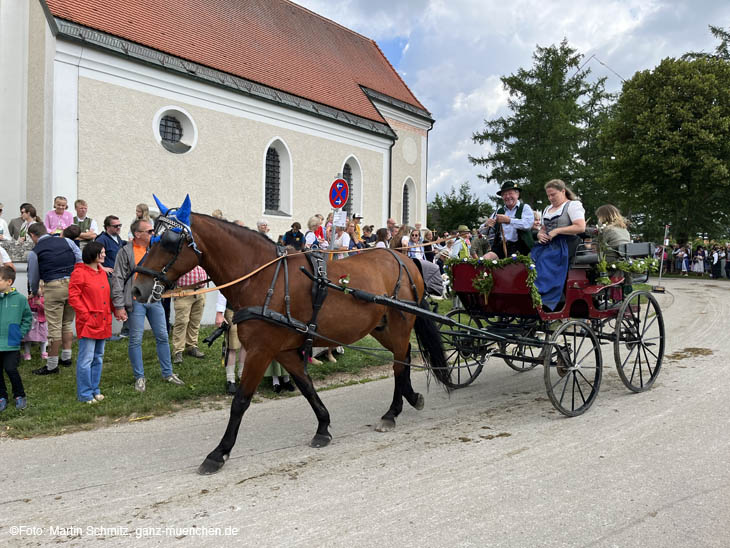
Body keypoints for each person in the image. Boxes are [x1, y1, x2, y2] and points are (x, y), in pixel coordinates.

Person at [111, 219, 184, 391]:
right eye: (149, 231)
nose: (153, 234)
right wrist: (119, 305)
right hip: (136, 302)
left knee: (163, 337)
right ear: (137, 234)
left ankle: (168, 373)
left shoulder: (155, 250)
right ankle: (139, 377)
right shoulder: (125, 251)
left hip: (154, 300)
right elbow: (118, 278)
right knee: (136, 340)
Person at [27, 222, 82, 375]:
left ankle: (52, 365)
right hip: (72, 284)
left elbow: (33, 275)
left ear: (33, 235)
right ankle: (67, 357)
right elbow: (80, 260)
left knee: (54, 327)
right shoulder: (67, 241)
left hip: (53, 286)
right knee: (66, 323)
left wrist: (34, 290)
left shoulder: (35, 251)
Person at [68, 242, 114, 404]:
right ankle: (85, 393)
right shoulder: (80, 273)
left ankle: (95, 389)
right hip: (88, 322)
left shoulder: (102, 272)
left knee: (98, 357)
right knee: (86, 359)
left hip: (103, 320)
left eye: (104, 252)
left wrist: (115, 311)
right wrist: (86, 315)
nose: (104, 255)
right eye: (101, 253)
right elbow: (74, 297)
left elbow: (106, 295)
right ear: (92, 254)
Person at [532, 179, 586, 311]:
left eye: (553, 194)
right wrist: (540, 234)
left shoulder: (573, 205)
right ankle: (534, 296)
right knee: (531, 258)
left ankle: (552, 300)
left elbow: (580, 227)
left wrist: (557, 231)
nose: (550, 198)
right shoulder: (547, 209)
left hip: (568, 243)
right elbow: (544, 228)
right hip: (550, 243)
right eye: (548, 195)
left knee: (546, 260)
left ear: (563, 191)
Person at [0, 266, 32, 412]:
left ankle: (19, 395)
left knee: (11, 369)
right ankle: (2, 397)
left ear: (9, 281)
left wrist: (19, 333)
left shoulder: (19, 299)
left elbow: (27, 318)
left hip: (11, 343)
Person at [485, 181, 535, 258]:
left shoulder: (525, 208)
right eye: (504, 194)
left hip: (520, 247)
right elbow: (483, 231)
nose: (507, 196)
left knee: (511, 267)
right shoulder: (499, 211)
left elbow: (527, 224)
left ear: (517, 194)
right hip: (501, 246)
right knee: (486, 258)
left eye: (510, 193)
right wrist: (487, 225)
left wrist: (509, 220)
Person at [171, 266, 208, 364]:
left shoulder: (200, 252)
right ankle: (178, 351)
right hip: (183, 291)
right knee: (181, 322)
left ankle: (192, 346)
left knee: (195, 321)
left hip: (200, 291)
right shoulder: (183, 253)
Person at [22, 286, 48, 361]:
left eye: (39, 288)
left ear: (43, 290)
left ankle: (43, 352)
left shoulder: (44, 299)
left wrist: (40, 304)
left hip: (41, 321)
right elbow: (24, 306)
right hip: (31, 321)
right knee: (28, 337)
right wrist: (28, 298)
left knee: (43, 337)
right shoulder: (31, 299)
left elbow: (47, 310)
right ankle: (27, 354)